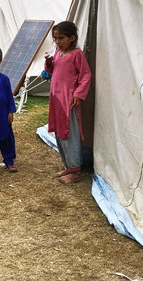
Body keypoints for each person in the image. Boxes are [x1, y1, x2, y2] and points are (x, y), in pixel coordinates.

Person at [44, 21, 92, 185]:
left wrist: (78, 94)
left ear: (72, 38)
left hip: (68, 100)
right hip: (56, 99)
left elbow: (86, 75)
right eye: (55, 39)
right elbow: (54, 72)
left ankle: (75, 170)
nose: (57, 42)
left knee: (69, 133)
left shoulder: (76, 54)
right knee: (59, 132)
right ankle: (68, 166)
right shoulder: (58, 53)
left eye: (61, 38)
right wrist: (49, 64)